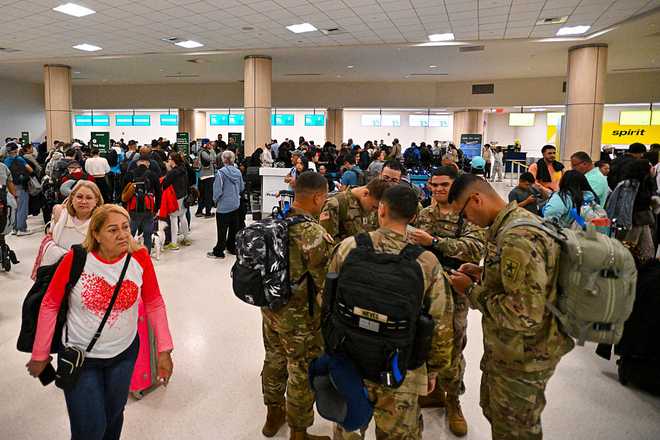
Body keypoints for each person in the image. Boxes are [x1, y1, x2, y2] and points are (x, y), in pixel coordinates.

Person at [27, 204, 174, 440]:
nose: (123, 234)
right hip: (82, 358)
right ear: (96, 234)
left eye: (126, 227)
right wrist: (40, 353)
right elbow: (50, 304)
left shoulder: (140, 258)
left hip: (124, 354)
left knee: (114, 416)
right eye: (112, 230)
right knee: (90, 428)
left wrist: (164, 350)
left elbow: (154, 302)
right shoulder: (76, 259)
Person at [447, 174, 574, 440]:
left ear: (476, 199)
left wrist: (470, 290)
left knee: (515, 430)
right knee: (498, 416)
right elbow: (526, 283)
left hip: (524, 356)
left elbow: (523, 313)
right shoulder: (510, 225)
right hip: (510, 350)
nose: (465, 221)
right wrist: (484, 274)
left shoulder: (518, 236)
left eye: (463, 213)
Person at [329, 185, 454, 440]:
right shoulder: (426, 262)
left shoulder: (349, 247)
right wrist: (433, 370)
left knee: (348, 427)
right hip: (400, 369)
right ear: (414, 217)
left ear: (381, 209)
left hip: (350, 358)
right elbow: (440, 323)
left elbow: (328, 300)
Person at [409, 166, 486, 436]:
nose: (439, 189)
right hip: (423, 291)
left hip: (455, 291)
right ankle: (427, 392)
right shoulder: (423, 214)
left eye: (444, 185)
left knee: (454, 347)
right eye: (435, 185)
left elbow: (476, 248)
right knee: (422, 341)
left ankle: (453, 400)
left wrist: (435, 241)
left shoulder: (467, 214)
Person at [260, 172, 333, 440]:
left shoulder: (275, 221)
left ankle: (272, 414)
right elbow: (325, 285)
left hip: (270, 310)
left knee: (274, 360)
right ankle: (299, 432)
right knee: (301, 370)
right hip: (300, 319)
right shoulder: (314, 234)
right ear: (317, 197)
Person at [36, 180, 104, 271]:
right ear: (72, 198)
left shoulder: (101, 223)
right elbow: (49, 241)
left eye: (89, 198)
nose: (83, 201)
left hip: (86, 274)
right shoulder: (60, 215)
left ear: (96, 200)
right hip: (56, 272)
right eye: (79, 197)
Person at [319, 178, 392, 242]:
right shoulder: (336, 204)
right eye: (374, 207)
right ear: (365, 193)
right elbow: (328, 240)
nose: (375, 211)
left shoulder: (371, 205)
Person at [123, 148, 162, 255]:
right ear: (148, 164)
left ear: (137, 163)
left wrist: (124, 207)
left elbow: (123, 192)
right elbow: (159, 193)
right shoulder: (153, 175)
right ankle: (146, 255)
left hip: (132, 208)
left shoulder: (130, 174)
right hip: (148, 208)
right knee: (148, 234)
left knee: (130, 232)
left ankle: (128, 253)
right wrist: (156, 208)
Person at [208, 151, 245, 259]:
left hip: (224, 205)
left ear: (224, 160)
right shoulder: (238, 172)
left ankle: (219, 251)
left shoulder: (220, 173)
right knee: (234, 228)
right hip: (235, 204)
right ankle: (231, 247)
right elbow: (242, 187)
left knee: (222, 230)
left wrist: (215, 201)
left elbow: (217, 190)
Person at [162, 152, 190, 250]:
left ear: (173, 161)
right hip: (184, 195)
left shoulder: (172, 172)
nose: (168, 161)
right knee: (182, 217)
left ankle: (174, 243)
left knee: (173, 219)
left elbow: (165, 184)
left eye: (169, 159)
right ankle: (186, 239)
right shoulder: (183, 169)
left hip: (175, 197)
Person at [4, 142, 34, 235]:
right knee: (22, 208)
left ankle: (15, 229)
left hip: (10, 187)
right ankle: (22, 229)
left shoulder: (5, 160)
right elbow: (30, 169)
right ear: (16, 150)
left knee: (14, 208)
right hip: (21, 186)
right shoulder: (20, 159)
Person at [195, 142, 216, 218]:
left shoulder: (201, 151)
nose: (211, 146)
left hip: (202, 176)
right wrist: (212, 150)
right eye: (210, 144)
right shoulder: (204, 152)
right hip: (208, 175)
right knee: (208, 195)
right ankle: (208, 213)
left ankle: (199, 211)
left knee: (202, 195)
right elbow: (213, 159)